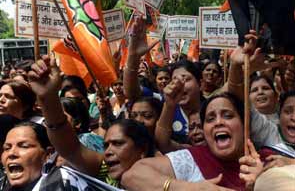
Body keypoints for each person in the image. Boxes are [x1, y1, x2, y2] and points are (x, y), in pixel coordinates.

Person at [28, 55, 155, 185]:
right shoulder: (106, 172)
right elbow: (70, 149)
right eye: (106, 145)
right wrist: (48, 97)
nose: (108, 152)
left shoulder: (165, 177)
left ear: (142, 150)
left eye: (118, 144)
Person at [121, 93, 263, 191]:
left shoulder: (271, 161)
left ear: (246, 126)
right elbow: (131, 176)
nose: (218, 122)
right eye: (210, 119)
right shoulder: (192, 158)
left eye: (228, 116)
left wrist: (264, 182)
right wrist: (189, 188)